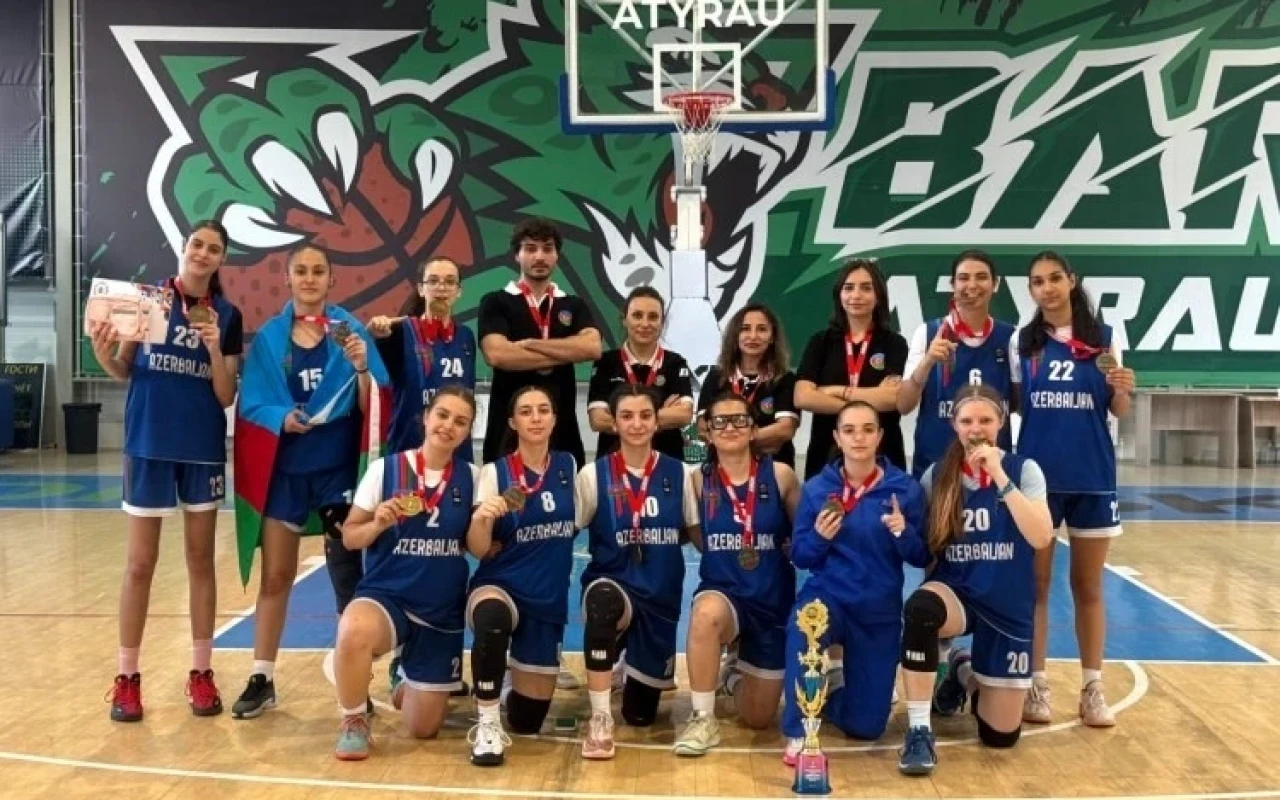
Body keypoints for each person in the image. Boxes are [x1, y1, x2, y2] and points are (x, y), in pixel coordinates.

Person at [91, 219, 244, 722]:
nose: (203, 253)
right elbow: (123, 370)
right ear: (184, 247)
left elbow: (226, 395)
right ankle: (127, 678)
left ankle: (201, 672)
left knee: (201, 561)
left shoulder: (228, 315)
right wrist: (101, 353)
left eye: (214, 249)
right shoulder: (149, 300)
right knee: (140, 564)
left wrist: (213, 348)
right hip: (148, 442)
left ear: (222, 260)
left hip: (201, 447)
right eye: (198, 244)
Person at [230, 243, 388, 719]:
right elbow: (252, 403)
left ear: (330, 279)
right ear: (288, 277)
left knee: (346, 576)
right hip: (286, 472)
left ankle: (355, 683)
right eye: (301, 270)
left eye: (319, 271)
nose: (310, 278)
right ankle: (262, 675)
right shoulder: (270, 338)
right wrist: (280, 417)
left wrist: (362, 367)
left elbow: (375, 404)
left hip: (336, 471)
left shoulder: (349, 331)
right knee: (277, 575)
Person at [894, 385, 1054, 775]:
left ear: (1001, 423)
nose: (976, 428)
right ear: (955, 425)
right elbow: (928, 551)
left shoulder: (1024, 470)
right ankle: (919, 730)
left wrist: (998, 475)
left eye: (985, 420)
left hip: (1006, 604)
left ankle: (964, 672)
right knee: (921, 609)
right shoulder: (938, 475)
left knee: (999, 737)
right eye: (967, 421)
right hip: (959, 594)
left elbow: (1040, 537)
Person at [1011, 251, 1136, 727]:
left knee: (1087, 585)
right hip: (1038, 478)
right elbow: (1016, 403)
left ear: (1071, 281)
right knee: (1036, 586)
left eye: (1054, 278)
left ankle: (1092, 688)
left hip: (1092, 476)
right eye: (1037, 281)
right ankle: (1037, 684)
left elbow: (1118, 409)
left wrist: (1123, 389)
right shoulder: (1024, 342)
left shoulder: (1105, 337)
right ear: (1031, 290)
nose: (1047, 288)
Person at [329, 387, 480, 761]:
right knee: (353, 630)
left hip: (439, 611)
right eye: (442, 415)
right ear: (426, 417)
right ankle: (354, 719)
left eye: (460, 421)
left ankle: (404, 673)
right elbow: (350, 536)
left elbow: (477, 544)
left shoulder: (473, 478)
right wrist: (378, 523)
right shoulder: (386, 469)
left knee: (423, 729)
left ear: (468, 431)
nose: (448, 426)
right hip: (388, 597)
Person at [780, 401, 929, 765]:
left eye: (867, 429)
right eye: (849, 430)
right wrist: (819, 537)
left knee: (867, 726)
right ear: (837, 437)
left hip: (877, 609)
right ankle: (799, 730)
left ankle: (830, 696)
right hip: (829, 597)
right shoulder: (817, 489)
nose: (858, 438)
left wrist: (903, 533)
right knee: (804, 624)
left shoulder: (904, 490)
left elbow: (922, 556)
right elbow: (801, 556)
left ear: (880, 436)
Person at [575, 385, 700, 760]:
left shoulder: (680, 474)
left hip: (659, 598)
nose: (636, 424)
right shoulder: (593, 475)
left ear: (657, 421)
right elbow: (563, 532)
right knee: (601, 604)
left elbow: (698, 534)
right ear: (613, 423)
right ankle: (600, 718)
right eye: (627, 416)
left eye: (645, 415)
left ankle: (628, 663)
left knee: (640, 716)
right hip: (613, 583)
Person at [673, 393, 800, 756]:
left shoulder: (781, 476)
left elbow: (802, 536)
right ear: (708, 433)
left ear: (753, 429)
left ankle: (731, 673)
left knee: (758, 719)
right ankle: (703, 718)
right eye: (720, 421)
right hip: (725, 592)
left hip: (771, 601)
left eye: (739, 420)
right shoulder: (697, 481)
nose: (730, 427)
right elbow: (698, 539)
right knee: (705, 614)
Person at [463, 385, 579, 766]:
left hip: (545, 599)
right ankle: (487, 725)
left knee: (528, 722)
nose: (536, 418)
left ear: (555, 419)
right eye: (526, 411)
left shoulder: (568, 467)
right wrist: (482, 520)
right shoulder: (494, 473)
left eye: (543, 410)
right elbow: (479, 548)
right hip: (501, 585)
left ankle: (508, 680)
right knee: (492, 619)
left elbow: (578, 523)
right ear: (512, 422)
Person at [478, 218, 602, 467]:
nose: (539, 256)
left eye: (547, 248)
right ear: (517, 255)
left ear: (557, 255)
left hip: (562, 430)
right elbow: (498, 355)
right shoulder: (495, 301)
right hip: (507, 430)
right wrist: (566, 351)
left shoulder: (573, 304)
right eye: (530, 248)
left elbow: (592, 348)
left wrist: (531, 344)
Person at [897, 250, 1016, 479]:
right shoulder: (928, 332)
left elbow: (1018, 404)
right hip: (936, 465)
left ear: (995, 284)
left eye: (981, 277)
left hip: (992, 468)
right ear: (953, 285)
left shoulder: (1011, 337)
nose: (972, 285)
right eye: (963, 278)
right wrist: (928, 362)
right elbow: (903, 405)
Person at [796, 259, 908, 480]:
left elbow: (891, 399)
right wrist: (862, 405)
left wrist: (835, 391)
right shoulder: (821, 342)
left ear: (879, 295)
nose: (856, 295)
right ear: (839, 295)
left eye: (866, 288)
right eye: (848, 288)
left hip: (883, 454)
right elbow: (803, 397)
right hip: (826, 454)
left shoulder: (895, 343)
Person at [368, 256, 477, 460]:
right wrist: (379, 333)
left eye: (449, 281)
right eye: (433, 281)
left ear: (459, 291)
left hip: (456, 452)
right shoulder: (400, 331)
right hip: (408, 450)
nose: (441, 288)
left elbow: (468, 392)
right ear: (420, 289)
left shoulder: (466, 336)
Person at [588, 286, 694, 461]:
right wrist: (661, 415)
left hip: (667, 462)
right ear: (624, 319)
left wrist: (621, 417)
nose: (645, 324)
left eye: (653, 317)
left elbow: (684, 415)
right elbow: (597, 420)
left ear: (662, 322)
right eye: (637, 315)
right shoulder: (606, 362)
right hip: (613, 464)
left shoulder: (675, 363)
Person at [696, 303, 799, 468]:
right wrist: (757, 439)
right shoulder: (716, 376)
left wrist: (729, 439)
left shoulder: (785, 379)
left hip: (772, 468)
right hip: (722, 468)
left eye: (762, 329)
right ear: (735, 335)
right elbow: (703, 426)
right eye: (745, 329)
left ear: (772, 337)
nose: (753, 336)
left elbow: (785, 429)